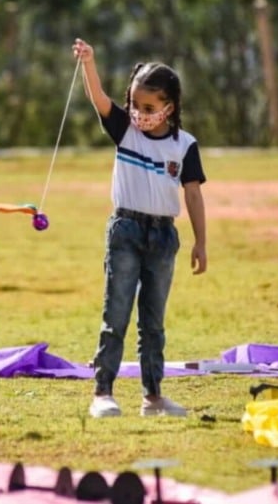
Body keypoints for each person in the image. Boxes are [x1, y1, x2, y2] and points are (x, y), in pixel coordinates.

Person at [72, 38, 208, 418]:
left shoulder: (185, 146)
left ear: (170, 107)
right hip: (125, 232)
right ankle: (102, 392)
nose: (139, 114)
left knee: (153, 321)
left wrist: (201, 242)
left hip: (164, 238)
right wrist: (89, 62)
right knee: (116, 314)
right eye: (134, 105)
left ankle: (153, 397)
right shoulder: (124, 131)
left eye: (149, 108)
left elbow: (194, 196)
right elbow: (98, 97)